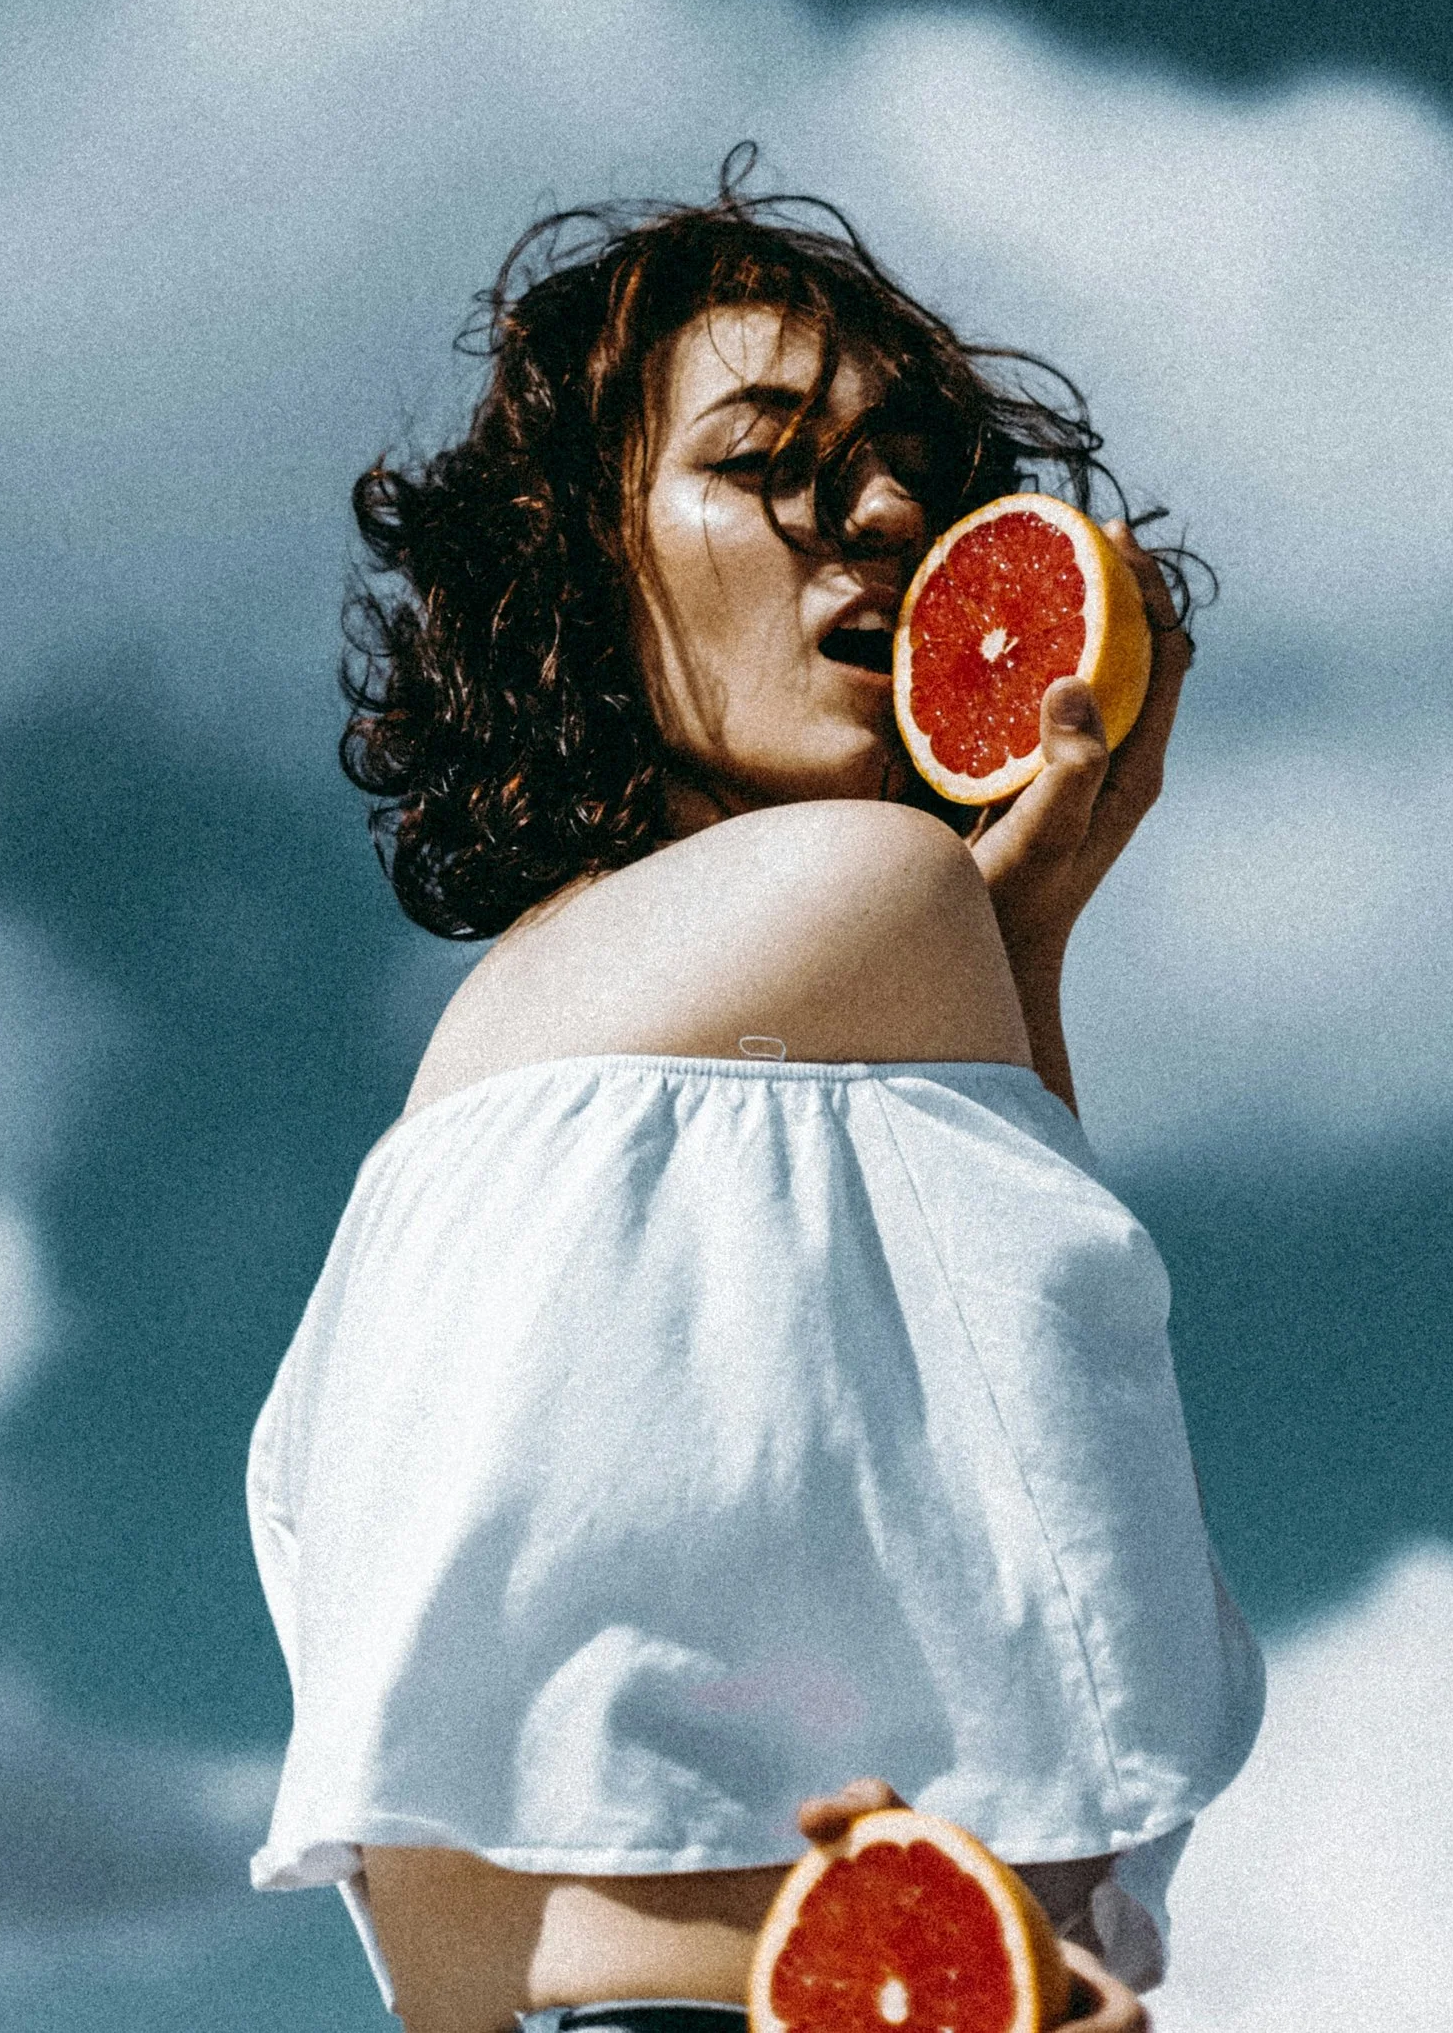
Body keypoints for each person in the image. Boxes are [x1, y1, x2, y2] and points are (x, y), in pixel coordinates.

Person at [247, 183, 1264, 2033]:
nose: (879, 514)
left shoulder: (497, 1106)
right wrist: (1016, 945)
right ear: (579, 564)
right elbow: (1106, 1608)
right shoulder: (877, 895)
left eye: (910, 473)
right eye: (768, 463)